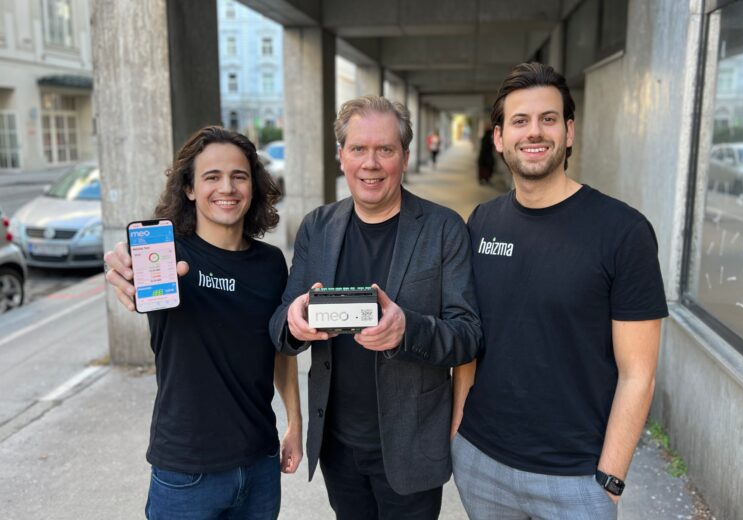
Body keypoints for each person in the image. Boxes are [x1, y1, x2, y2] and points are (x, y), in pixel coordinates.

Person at [450, 62, 668, 520]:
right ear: (498, 137)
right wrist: (458, 433)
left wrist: (609, 479)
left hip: (576, 481)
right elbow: (470, 341)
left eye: (548, 119)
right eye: (520, 121)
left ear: (569, 132)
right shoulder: (483, 222)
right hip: (481, 463)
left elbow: (639, 375)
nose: (534, 132)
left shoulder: (623, 232)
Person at [270, 96, 481, 520]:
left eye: (385, 149)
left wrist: (408, 330)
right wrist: (294, 323)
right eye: (358, 149)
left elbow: (469, 333)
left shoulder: (444, 229)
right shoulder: (317, 227)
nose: (371, 163)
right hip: (338, 446)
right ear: (341, 156)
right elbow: (280, 323)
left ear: (404, 156)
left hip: (411, 446)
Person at [104, 126, 303, 520]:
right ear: (190, 189)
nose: (226, 188)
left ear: (253, 186)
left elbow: (280, 349)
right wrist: (122, 270)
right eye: (211, 177)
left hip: (260, 464)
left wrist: (295, 423)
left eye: (239, 176)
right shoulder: (163, 255)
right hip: (186, 473)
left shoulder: (270, 263)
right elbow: (125, 268)